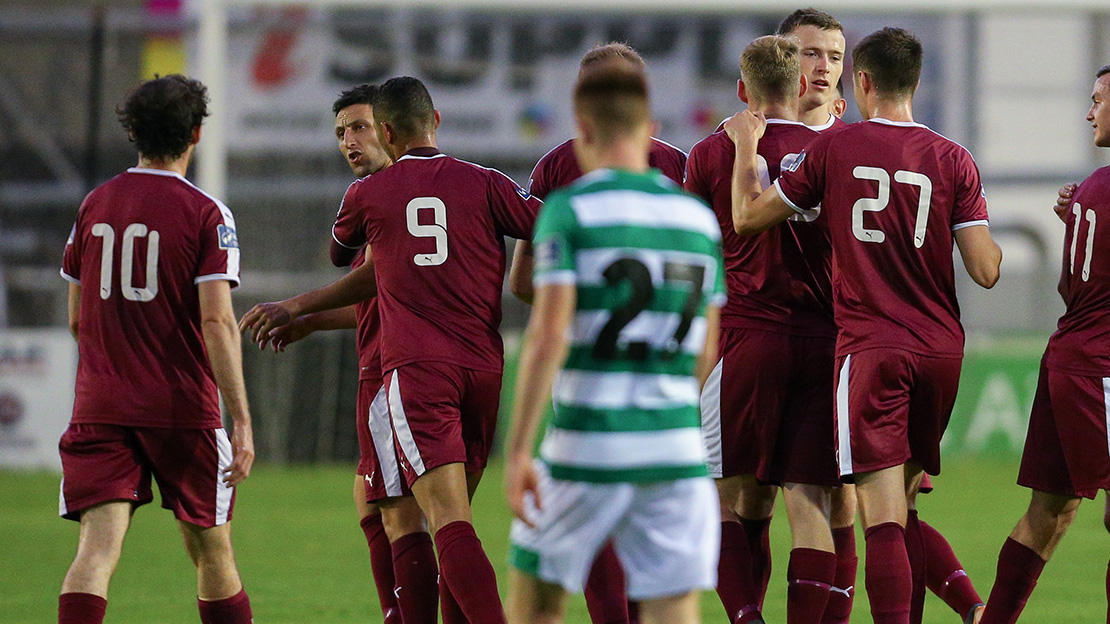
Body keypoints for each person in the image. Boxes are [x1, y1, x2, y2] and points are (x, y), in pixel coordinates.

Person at [730, 27, 1002, 624]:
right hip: (941, 351)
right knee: (906, 508)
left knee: (881, 519)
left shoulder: (836, 149)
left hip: (872, 347)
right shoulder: (954, 158)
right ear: (916, 83)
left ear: (862, 81)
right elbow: (986, 270)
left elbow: (748, 219)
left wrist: (748, 150)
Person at [504, 62, 724, 624]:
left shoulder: (570, 210)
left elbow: (548, 335)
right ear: (650, 127)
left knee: (536, 604)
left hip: (588, 442)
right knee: (674, 610)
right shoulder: (697, 221)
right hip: (675, 448)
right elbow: (706, 348)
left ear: (583, 128)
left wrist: (519, 448)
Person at [330, 75, 542, 624]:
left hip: (418, 370)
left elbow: (340, 250)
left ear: (386, 132)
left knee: (441, 520)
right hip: (485, 367)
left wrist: (300, 309)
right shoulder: (487, 182)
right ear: (437, 121)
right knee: (452, 518)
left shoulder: (368, 193)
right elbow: (544, 223)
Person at [57, 74, 254, 624]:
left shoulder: (94, 206)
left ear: (133, 133)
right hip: (182, 409)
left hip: (101, 406)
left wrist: (113, 365)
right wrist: (241, 418)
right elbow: (216, 319)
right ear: (195, 133)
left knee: (96, 550)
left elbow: (77, 319)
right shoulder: (206, 213)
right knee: (212, 550)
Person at [237, 84, 436, 624]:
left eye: (360, 127)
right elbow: (378, 296)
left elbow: (377, 280)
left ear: (389, 129)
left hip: (397, 371)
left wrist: (299, 306)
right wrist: (311, 322)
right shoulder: (394, 198)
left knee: (403, 513)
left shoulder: (389, 197)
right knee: (372, 500)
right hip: (389, 366)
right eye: (341, 132)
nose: (349, 141)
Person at [688, 35, 836, 624]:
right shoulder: (835, 151)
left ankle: (747, 616)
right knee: (809, 501)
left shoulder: (709, 153)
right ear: (801, 85)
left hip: (744, 339)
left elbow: (695, 256)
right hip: (823, 341)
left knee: (721, 497)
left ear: (741, 90)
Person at [979, 63, 1110, 624]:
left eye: (1098, 100)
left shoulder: (1092, 187)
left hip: (1069, 357)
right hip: (1101, 366)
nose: (1089, 113)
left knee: (1049, 511)